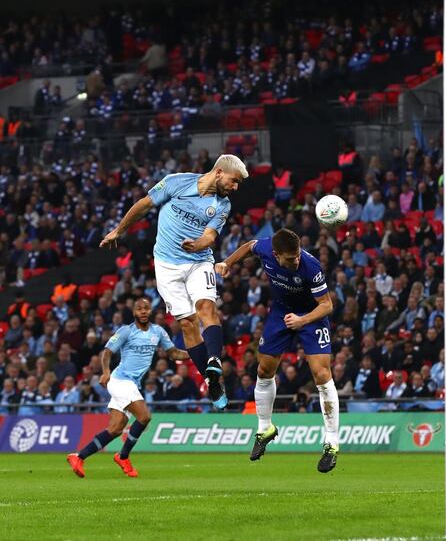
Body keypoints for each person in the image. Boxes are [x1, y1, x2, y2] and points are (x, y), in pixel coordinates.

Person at [100, 154, 247, 410]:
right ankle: (212, 381)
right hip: (167, 266)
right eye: (234, 181)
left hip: (199, 262)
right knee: (188, 325)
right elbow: (145, 204)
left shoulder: (222, 205)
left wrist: (197, 244)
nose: (235, 188)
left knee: (206, 309)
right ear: (220, 172)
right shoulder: (176, 183)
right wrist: (119, 230)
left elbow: (210, 237)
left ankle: (214, 360)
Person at [216, 228, 338, 472]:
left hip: (310, 316)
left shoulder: (311, 267)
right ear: (275, 254)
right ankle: (265, 428)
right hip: (281, 312)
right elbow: (250, 245)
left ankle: (332, 443)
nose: (296, 260)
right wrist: (227, 262)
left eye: (297, 255)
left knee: (322, 374)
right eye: (290, 258)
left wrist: (303, 320)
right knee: (264, 369)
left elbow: (327, 305)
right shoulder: (265, 249)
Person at [67, 298, 188, 478]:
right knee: (145, 416)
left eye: (146, 308)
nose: (144, 311)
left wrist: (196, 354)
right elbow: (107, 352)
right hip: (120, 381)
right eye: (139, 308)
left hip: (132, 384)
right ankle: (123, 456)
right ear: (134, 313)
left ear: (151, 311)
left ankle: (79, 456)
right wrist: (106, 373)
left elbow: (174, 353)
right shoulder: (126, 331)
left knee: (115, 429)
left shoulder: (158, 332)